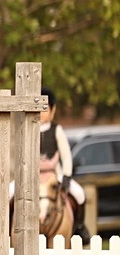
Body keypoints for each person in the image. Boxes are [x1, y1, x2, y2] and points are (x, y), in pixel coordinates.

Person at [40, 87, 88, 240]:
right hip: (33, 178)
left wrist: (66, 177)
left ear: (52, 110)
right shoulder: (28, 129)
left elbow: (66, 156)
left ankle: (79, 227)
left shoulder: (56, 130)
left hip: (55, 175)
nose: (41, 112)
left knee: (79, 193)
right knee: (9, 192)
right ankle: (7, 227)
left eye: (45, 109)